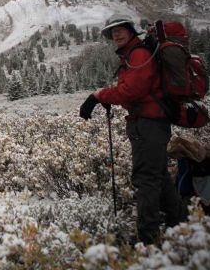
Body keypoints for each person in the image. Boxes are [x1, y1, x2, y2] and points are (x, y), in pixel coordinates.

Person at [79, 17, 186, 245]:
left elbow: (132, 91)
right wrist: (106, 96)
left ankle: (148, 239)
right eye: (113, 33)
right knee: (158, 175)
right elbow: (130, 90)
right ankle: (180, 225)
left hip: (148, 123)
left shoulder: (138, 55)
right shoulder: (133, 54)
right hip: (149, 122)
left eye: (120, 31)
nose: (116, 36)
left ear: (130, 31)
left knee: (146, 178)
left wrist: (98, 96)